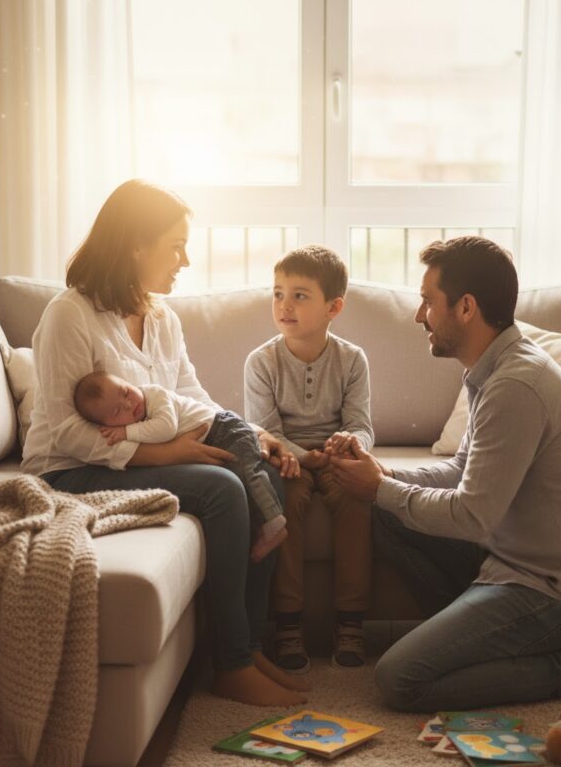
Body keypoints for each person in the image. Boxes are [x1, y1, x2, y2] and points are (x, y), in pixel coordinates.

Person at [21, 178, 308, 706]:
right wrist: (165, 453)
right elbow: (67, 431)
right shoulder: (70, 315)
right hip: (71, 470)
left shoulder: (161, 317)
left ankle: (249, 644)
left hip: (136, 456)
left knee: (262, 475)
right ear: (135, 244)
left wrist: (257, 434)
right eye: (175, 245)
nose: (186, 260)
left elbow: (189, 393)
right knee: (222, 490)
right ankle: (232, 664)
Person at [329, 236, 561, 711]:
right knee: (386, 511)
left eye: (427, 302)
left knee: (400, 679)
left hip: (557, 592)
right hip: (510, 564)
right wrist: (381, 475)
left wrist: (380, 489)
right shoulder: (493, 369)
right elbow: (462, 469)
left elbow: (472, 516)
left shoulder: (515, 385)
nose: (420, 316)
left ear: (466, 307)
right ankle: (481, 635)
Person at [244, 245, 374, 673]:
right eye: (278, 293)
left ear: (333, 307)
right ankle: (287, 624)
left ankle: (351, 621)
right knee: (283, 503)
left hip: (335, 457)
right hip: (286, 457)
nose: (285, 305)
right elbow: (263, 430)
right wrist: (302, 456)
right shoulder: (260, 361)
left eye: (300, 296)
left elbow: (361, 424)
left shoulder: (353, 359)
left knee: (357, 498)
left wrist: (348, 446)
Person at [73, 371, 287, 562]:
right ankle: (262, 526)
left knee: (249, 473)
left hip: (226, 430)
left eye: (126, 392)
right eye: (118, 412)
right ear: (106, 426)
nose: (129, 404)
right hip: (213, 438)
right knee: (238, 479)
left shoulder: (154, 396)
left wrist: (126, 432)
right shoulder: (138, 418)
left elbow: (165, 429)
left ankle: (274, 524)